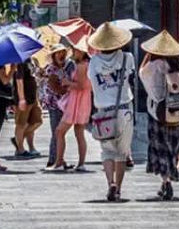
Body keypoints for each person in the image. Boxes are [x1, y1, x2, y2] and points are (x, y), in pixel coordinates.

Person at [87, 22, 135, 201]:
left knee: (107, 151)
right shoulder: (127, 58)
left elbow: (91, 82)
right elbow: (131, 76)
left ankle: (110, 183)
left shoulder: (93, 62)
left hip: (103, 113)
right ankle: (120, 188)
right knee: (121, 153)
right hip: (124, 110)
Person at [140, 30, 179, 200]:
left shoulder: (153, 66)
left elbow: (141, 75)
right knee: (172, 146)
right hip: (176, 112)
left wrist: (147, 55)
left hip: (157, 113)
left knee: (160, 148)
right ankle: (168, 179)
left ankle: (165, 180)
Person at [52, 40, 91, 172]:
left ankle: (59, 162)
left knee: (59, 131)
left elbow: (80, 85)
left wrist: (67, 82)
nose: (73, 53)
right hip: (82, 101)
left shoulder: (81, 66)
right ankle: (80, 163)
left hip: (77, 101)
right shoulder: (86, 64)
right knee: (79, 133)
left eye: (75, 50)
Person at [42, 44, 72, 169]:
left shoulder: (63, 68)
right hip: (55, 105)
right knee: (57, 132)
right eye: (58, 53)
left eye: (63, 52)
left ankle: (59, 158)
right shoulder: (52, 69)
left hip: (62, 104)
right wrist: (69, 88)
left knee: (59, 133)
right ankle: (53, 159)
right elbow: (56, 88)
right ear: (54, 56)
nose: (61, 55)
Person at [11, 59, 43, 158]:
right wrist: (21, 99)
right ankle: (20, 149)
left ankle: (23, 142)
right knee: (21, 124)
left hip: (33, 97)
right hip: (24, 98)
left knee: (36, 121)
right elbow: (19, 79)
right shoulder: (20, 61)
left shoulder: (32, 60)